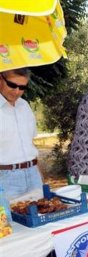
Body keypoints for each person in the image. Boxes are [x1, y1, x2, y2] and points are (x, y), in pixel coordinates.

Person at [0, 68, 43, 200]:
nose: (17, 91)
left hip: (33, 174)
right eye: (12, 85)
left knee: (42, 216)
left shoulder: (25, 106)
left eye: (22, 87)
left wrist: (39, 173)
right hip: (5, 179)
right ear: (1, 79)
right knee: (9, 220)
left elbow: (30, 143)